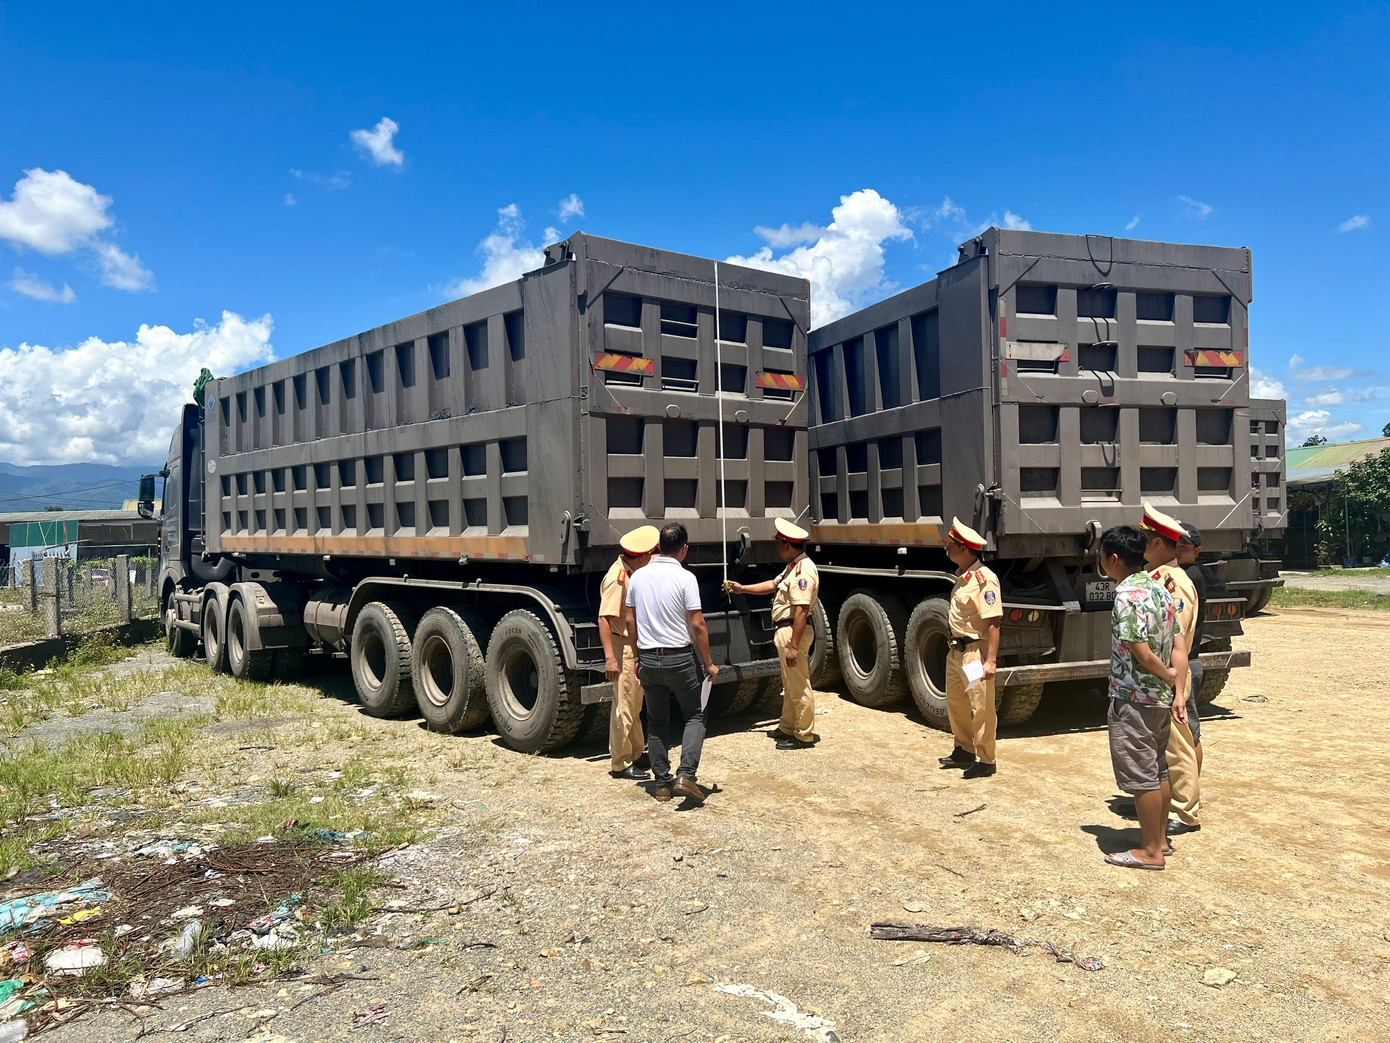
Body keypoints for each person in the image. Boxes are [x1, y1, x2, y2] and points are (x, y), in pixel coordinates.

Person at [1098, 524, 1181, 870]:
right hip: (1158, 697)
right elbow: (1177, 642)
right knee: (1158, 769)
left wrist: (1167, 674)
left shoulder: (1126, 596)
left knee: (1142, 775)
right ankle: (1159, 840)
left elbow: (1141, 651)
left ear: (1114, 559)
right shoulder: (1160, 589)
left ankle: (1149, 852)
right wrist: (1174, 683)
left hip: (1135, 695)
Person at [624, 522, 719, 803]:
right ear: (684, 549)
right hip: (680, 658)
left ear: (658, 547)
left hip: (649, 659)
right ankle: (686, 775)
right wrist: (708, 662)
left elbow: (630, 620)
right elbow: (697, 624)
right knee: (695, 715)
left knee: (656, 722)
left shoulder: (638, 577)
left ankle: (662, 784)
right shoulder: (685, 578)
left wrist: (637, 656)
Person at [726, 518, 821, 750]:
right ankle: (787, 726)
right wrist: (742, 588)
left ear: (787, 546)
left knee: (799, 685)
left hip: (792, 631)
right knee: (789, 684)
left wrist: (793, 646)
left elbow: (801, 611)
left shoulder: (803, 571)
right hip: (786, 631)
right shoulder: (792, 567)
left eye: (778, 543)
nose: (777, 547)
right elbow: (772, 584)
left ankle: (803, 735)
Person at [1140, 503, 1200, 834]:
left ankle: (1185, 811)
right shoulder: (1154, 578)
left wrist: (1176, 685)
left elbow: (1177, 637)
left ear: (1158, 543)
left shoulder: (1174, 583)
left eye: (1145, 539)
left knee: (1177, 745)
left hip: (1169, 673)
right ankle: (1158, 800)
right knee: (1155, 745)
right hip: (1152, 674)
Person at [937, 518, 1003, 779]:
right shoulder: (963, 577)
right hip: (957, 652)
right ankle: (963, 749)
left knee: (980, 706)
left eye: (951, 544)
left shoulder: (985, 580)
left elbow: (993, 622)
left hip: (974, 654)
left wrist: (991, 660)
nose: (947, 547)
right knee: (956, 703)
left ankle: (986, 760)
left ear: (964, 548)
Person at [599, 524, 660, 780]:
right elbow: (604, 618)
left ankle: (635, 751)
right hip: (622, 646)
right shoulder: (618, 578)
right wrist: (610, 658)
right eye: (652, 554)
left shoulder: (631, 570)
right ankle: (620, 763)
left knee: (634, 702)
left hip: (631, 645)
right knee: (624, 705)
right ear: (643, 556)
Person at [1176, 523, 1214, 778]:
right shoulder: (1183, 573)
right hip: (1186, 661)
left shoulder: (1190, 576)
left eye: (1184, 546)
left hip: (1187, 662)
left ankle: (1192, 788)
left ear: (1196, 551)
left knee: (1190, 733)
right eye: (1175, 544)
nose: (1178, 550)